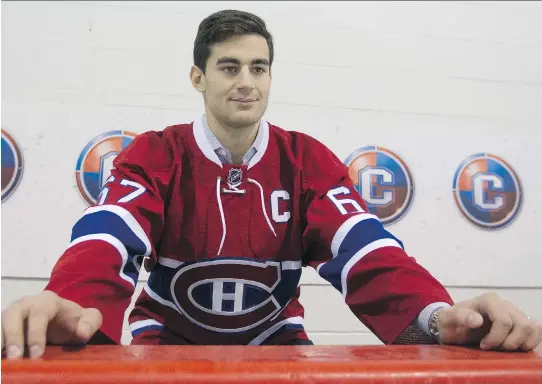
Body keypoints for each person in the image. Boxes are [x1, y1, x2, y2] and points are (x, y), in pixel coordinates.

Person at [2, 9, 541, 360]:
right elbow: (108, 236)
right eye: (229, 67)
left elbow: (366, 251)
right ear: (198, 77)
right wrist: (67, 301)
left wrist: (439, 316)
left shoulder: (305, 158)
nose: (246, 82)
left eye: (258, 68)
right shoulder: (155, 152)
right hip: (166, 344)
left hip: (276, 345)